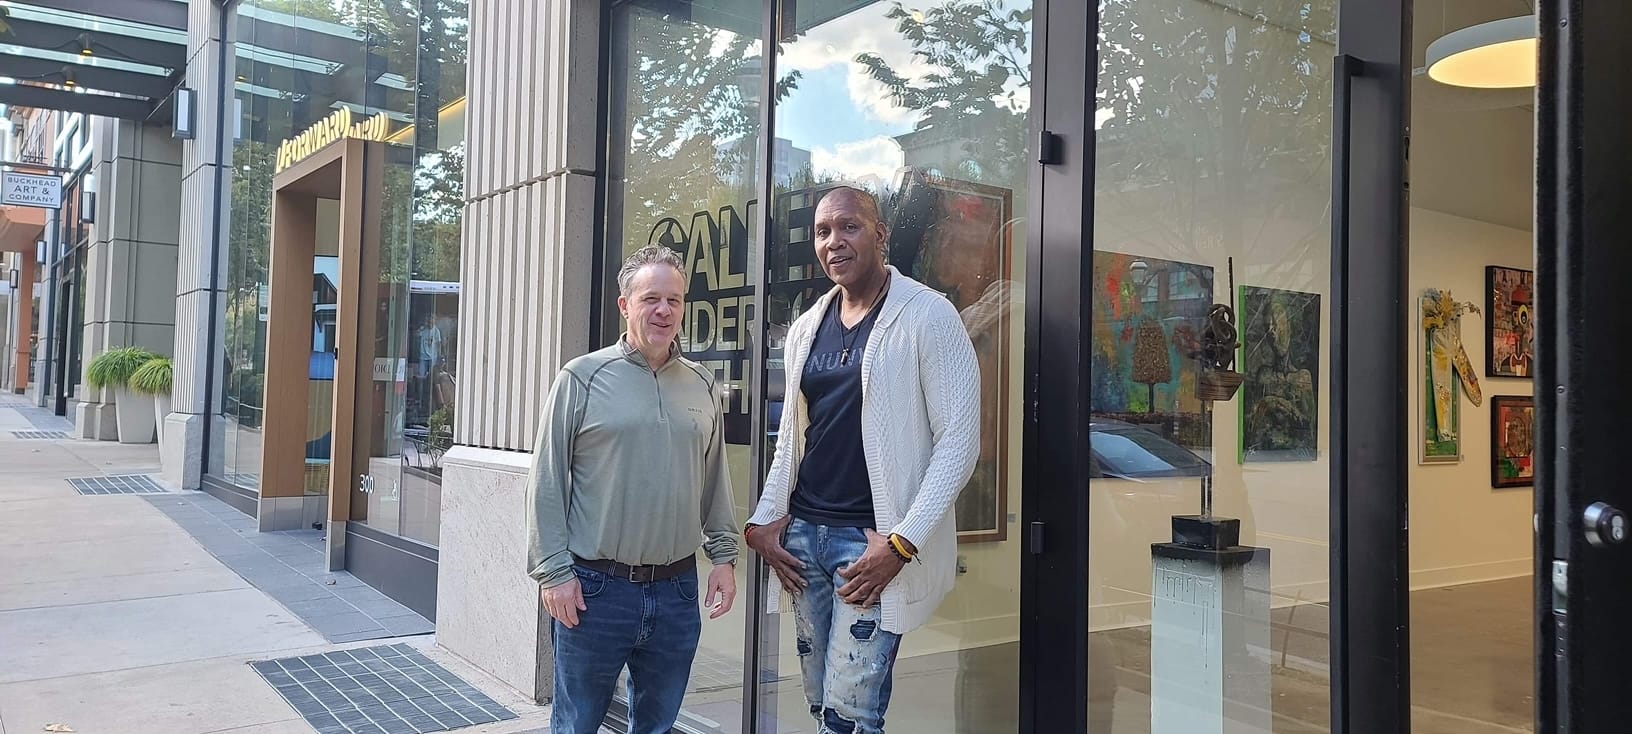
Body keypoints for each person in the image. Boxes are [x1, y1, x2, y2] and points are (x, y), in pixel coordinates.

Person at [744, 186, 981, 734]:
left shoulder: (927, 314)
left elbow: (959, 441)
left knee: (851, 717)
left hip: (871, 545)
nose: (834, 241)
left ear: (881, 235)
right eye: (822, 231)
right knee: (820, 704)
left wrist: (902, 543)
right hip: (804, 541)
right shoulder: (807, 326)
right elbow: (793, 440)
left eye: (849, 226)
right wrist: (763, 522)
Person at [525, 244, 740, 734]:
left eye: (674, 300)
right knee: (577, 724)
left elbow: (714, 480)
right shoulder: (581, 377)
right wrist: (553, 573)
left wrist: (724, 558)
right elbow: (547, 481)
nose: (664, 310)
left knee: (658, 727)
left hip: (677, 593)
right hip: (594, 591)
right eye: (650, 299)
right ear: (625, 305)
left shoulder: (703, 384)